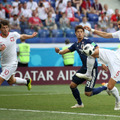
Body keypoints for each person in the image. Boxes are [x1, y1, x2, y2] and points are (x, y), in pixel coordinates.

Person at [55, 25, 107, 108]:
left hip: (92, 69)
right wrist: (59, 51)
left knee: (88, 93)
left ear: (83, 33)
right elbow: (65, 51)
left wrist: (103, 63)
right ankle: (79, 104)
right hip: (84, 69)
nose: (80, 33)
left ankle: (105, 87)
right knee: (72, 85)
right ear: (75, 33)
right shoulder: (75, 44)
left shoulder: (89, 41)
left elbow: (98, 48)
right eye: (78, 32)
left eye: (81, 32)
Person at [0, 20, 37, 90]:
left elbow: (22, 36)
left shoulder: (13, 35)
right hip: (4, 63)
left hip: (12, 63)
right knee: (11, 81)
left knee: (0, 80)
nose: (5, 29)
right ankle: (27, 81)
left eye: (6, 27)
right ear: (0, 29)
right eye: (3, 28)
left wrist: (31, 36)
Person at [81, 45, 120, 110]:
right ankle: (118, 101)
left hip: (116, 64)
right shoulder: (92, 47)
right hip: (114, 59)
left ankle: (118, 100)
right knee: (92, 54)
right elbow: (96, 45)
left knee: (110, 86)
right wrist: (103, 63)